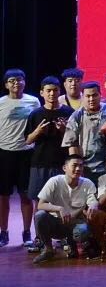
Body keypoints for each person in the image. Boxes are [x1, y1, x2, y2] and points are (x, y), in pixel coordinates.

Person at [24, 76, 73, 251]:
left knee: (64, 200)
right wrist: (37, 132)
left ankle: (65, 237)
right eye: (48, 91)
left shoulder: (68, 112)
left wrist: (64, 131)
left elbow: (74, 139)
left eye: (55, 90)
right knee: (39, 201)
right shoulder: (35, 114)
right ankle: (40, 238)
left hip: (62, 164)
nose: (52, 94)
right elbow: (27, 140)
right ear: (42, 93)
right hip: (40, 163)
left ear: (60, 92)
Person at [0, 68, 41, 248]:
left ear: (25, 82)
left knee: (26, 195)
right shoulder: (1, 103)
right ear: (6, 84)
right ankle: (3, 232)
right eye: (12, 81)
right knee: (4, 196)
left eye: (19, 80)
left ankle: (26, 233)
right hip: (5, 153)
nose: (16, 83)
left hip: (27, 153)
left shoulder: (33, 101)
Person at [31, 155, 97, 264]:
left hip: (74, 223)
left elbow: (93, 201)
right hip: (55, 223)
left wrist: (94, 205)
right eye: (74, 165)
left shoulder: (87, 183)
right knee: (40, 215)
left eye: (81, 166)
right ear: (65, 168)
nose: (78, 169)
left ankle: (74, 245)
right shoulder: (55, 181)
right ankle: (48, 249)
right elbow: (40, 205)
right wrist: (59, 208)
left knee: (83, 229)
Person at [63, 82, 106, 185]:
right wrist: (78, 167)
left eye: (94, 95)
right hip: (86, 169)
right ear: (82, 97)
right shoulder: (76, 116)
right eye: (87, 96)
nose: (91, 99)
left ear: (100, 95)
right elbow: (72, 144)